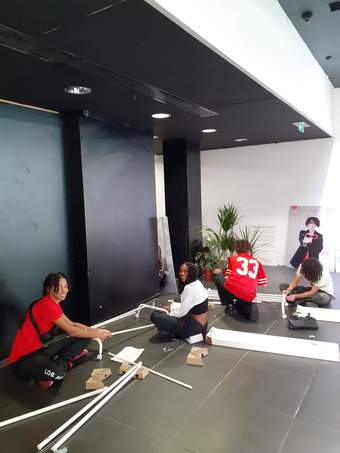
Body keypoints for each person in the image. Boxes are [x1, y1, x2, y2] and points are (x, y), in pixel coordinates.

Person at [8, 272, 112, 389]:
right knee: (58, 373)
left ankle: (53, 366)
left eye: (65, 286)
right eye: (59, 287)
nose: (64, 290)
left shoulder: (53, 304)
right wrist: (97, 334)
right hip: (21, 361)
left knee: (85, 336)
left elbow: (73, 324)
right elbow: (71, 330)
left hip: (38, 352)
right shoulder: (46, 305)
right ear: (48, 289)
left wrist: (95, 331)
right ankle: (63, 364)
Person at [150, 262, 208, 341]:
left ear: (191, 272)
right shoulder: (197, 283)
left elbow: (182, 313)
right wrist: (172, 307)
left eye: (185, 271)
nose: (182, 273)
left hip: (193, 327)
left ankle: (175, 332)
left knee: (154, 315)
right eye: (181, 271)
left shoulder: (189, 288)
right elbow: (186, 306)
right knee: (166, 314)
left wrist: (169, 313)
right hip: (203, 325)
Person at [214, 240, 267, 321]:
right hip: (248, 296)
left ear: (236, 249)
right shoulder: (257, 262)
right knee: (242, 305)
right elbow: (263, 284)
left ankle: (229, 305)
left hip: (233, 291)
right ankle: (244, 306)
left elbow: (227, 278)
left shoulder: (232, 259)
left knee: (218, 278)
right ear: (249, 250)